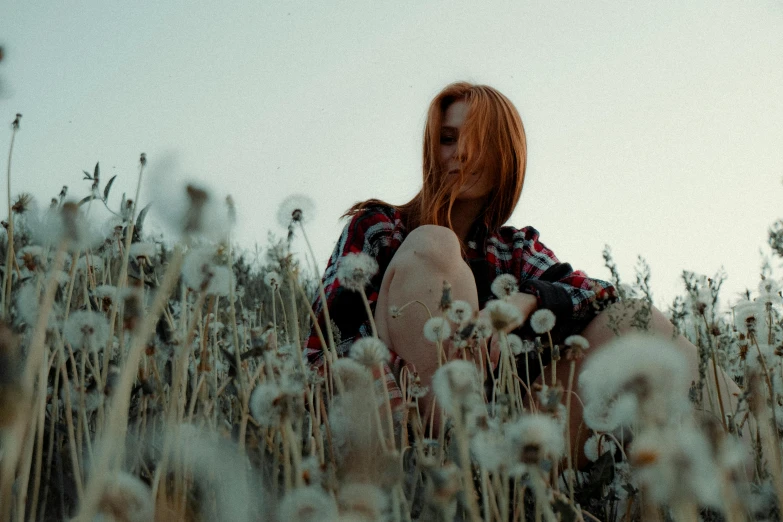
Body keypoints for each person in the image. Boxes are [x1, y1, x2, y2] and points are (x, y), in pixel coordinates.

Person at [305, 82, 743, 462]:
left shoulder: (514, 248)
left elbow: (600, 294)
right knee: (434, 244)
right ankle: (446, 466)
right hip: (401, 435)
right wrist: (389, 401)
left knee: (635, 321)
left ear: (505, 154)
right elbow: (327, 340)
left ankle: (760, 460)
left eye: (478, 139)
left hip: (509, 439)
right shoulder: (380, 228)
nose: (462, 153)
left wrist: (528, 298)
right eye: (448, 138)